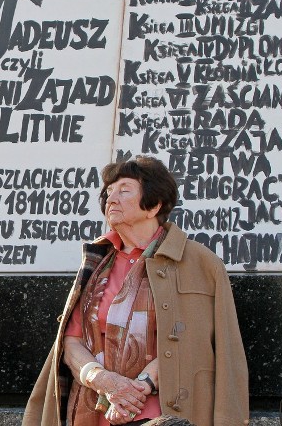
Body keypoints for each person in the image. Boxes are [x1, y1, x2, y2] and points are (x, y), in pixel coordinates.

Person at [23, 156, 248, 426]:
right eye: (108, 193)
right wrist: (105, 381)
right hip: (91, 414)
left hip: (162, 415)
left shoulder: (200, 264)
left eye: (124, 190)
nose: (111, 199)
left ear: (153, 205)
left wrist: (138, 387)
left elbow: (195, 343)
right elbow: (71, 342)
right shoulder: (97, 262)